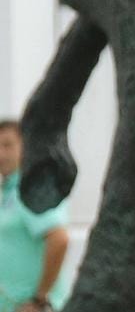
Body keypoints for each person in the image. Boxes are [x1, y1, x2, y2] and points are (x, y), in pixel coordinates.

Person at [0, 120, 70, 312]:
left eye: (7, 145)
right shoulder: (8, 192)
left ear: (25, 146)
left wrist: (40, 299)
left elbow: (59, 239)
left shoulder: (33, 189)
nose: (1, 154)